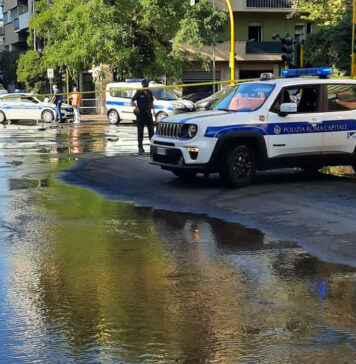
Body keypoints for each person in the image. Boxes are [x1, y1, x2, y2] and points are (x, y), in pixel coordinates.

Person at [131, 79, 155, 154]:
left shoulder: (150, 92)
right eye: (145, 85)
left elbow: (151, 101)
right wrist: (136, 107)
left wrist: (153, 109)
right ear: (142, 85)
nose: (146, 86)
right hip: (141, 115)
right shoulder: (138, 92)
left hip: (148, 115)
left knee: (151, 132)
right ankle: (140, 148)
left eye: (147, 85)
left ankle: (152, 148)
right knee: (140, 132)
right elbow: (132, 101)